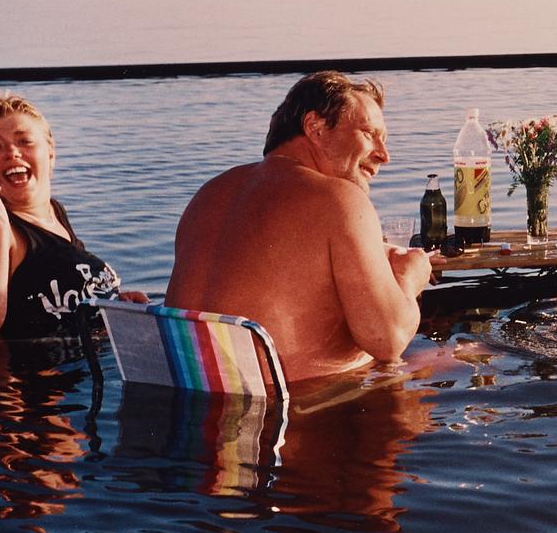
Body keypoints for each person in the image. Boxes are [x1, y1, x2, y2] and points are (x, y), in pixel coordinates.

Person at [166, 70, 433, 382]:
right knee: (454, 357)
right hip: (295, 406)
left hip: (190, 396)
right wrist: (409, 276)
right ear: (315, 128)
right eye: (368, 133)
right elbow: (387, 340)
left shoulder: (209, 194)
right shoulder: (340, 199)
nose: (384, 156)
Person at [0, 93, 136, 341]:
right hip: (40, 363)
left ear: (50, 154)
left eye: (25, 141)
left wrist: (115, 302)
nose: (12, 153)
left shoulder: (54, 211)